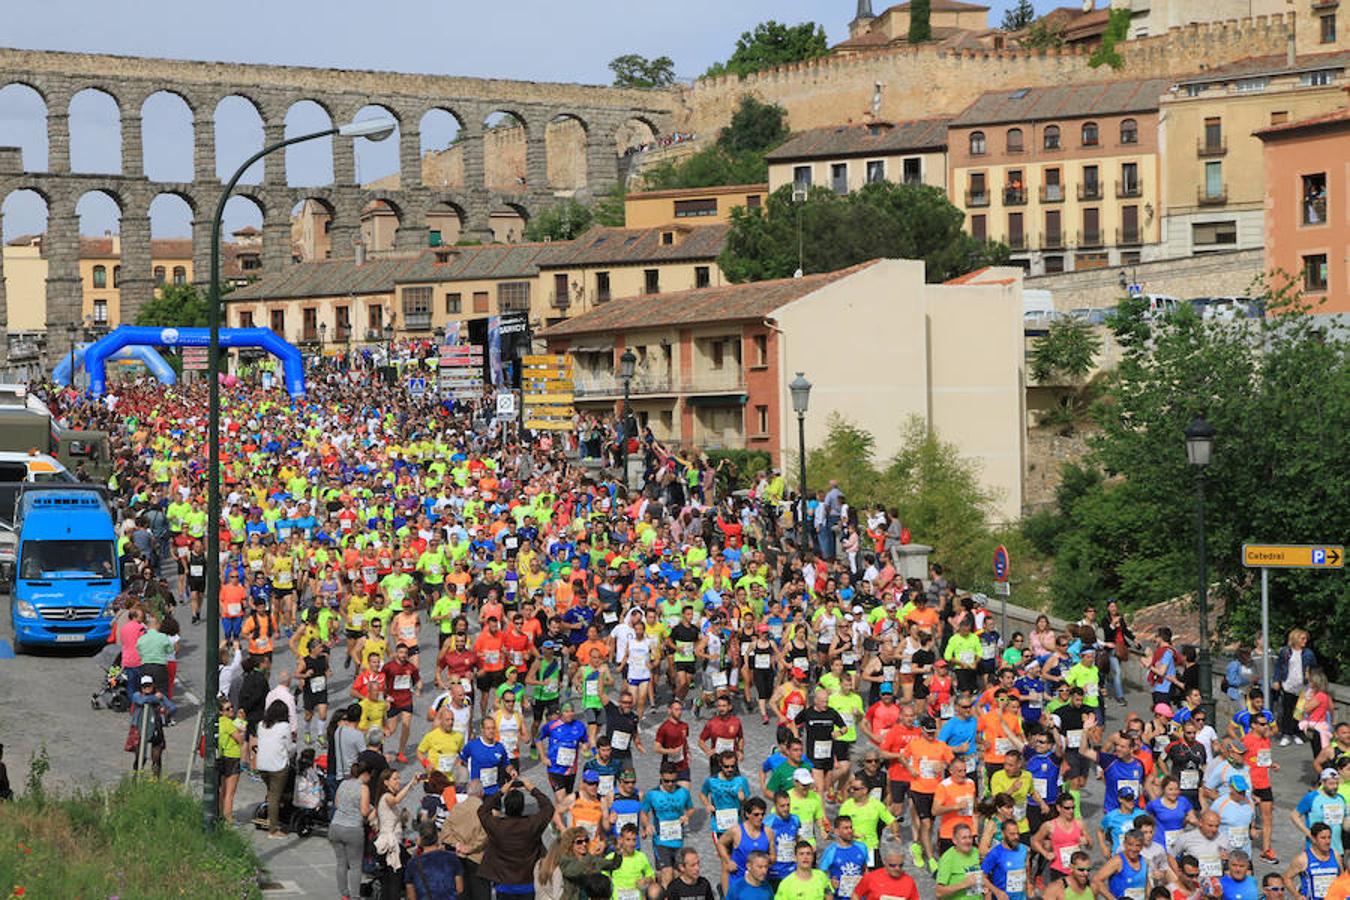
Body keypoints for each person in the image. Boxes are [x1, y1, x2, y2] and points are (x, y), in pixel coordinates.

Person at [478, 777, 556, 900]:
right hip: (528, 882)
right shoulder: (531, 824)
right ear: (522, 807)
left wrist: (500, 792)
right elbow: (548, 807)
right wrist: (532, 789)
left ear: (506, 807)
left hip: (503, 882)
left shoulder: (498, 826)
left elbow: (482, 811)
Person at [372, 767, 423, 899]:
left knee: (391, 879)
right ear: (386, 782)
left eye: (398, 779)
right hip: (390, 845)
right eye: (395, 779)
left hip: (393, 842)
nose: (398, 782)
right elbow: (396, 800)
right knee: (395, 879)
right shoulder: (387, 796)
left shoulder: (385, 798)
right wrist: (411, 783)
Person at [329, 761, 371, 900]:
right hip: (353, 829)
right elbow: (364, 812)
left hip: (335, 826)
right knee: (355, 865)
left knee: (341, 863)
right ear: (364, 774)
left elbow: (337, 803)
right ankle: (355, 896)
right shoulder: (363, 788)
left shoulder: (343, 784)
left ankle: (344, 894)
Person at [257, 698, 295, 839]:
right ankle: (273, 829)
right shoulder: (284, 726)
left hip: (262, 765)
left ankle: (271, 816)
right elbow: (290, 748)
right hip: (277, 766)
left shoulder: (261, 725)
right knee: (275, 797)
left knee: (271, 791)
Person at [405, 820, 466, 900]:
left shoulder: (412, 863)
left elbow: (411, 896)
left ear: (419, 839)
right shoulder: (452, 858)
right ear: (437, 837)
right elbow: (459, 889)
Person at [1285, 823, 1341, 900]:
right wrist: (1297, 895)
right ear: (1314, 839)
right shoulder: (1303, 859)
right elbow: (1287, 878)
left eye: (1329, 837)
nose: (1327, 841)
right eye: (1323, 838)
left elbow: (1343, 877)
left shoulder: (1336, 855)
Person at [934, 822, 983, 900]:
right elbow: (938, 892)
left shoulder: (976, 852)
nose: (968, 841)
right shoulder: (948, 858)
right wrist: (963, 885)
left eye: (970, 837)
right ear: (955, 840)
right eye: (964, 838)